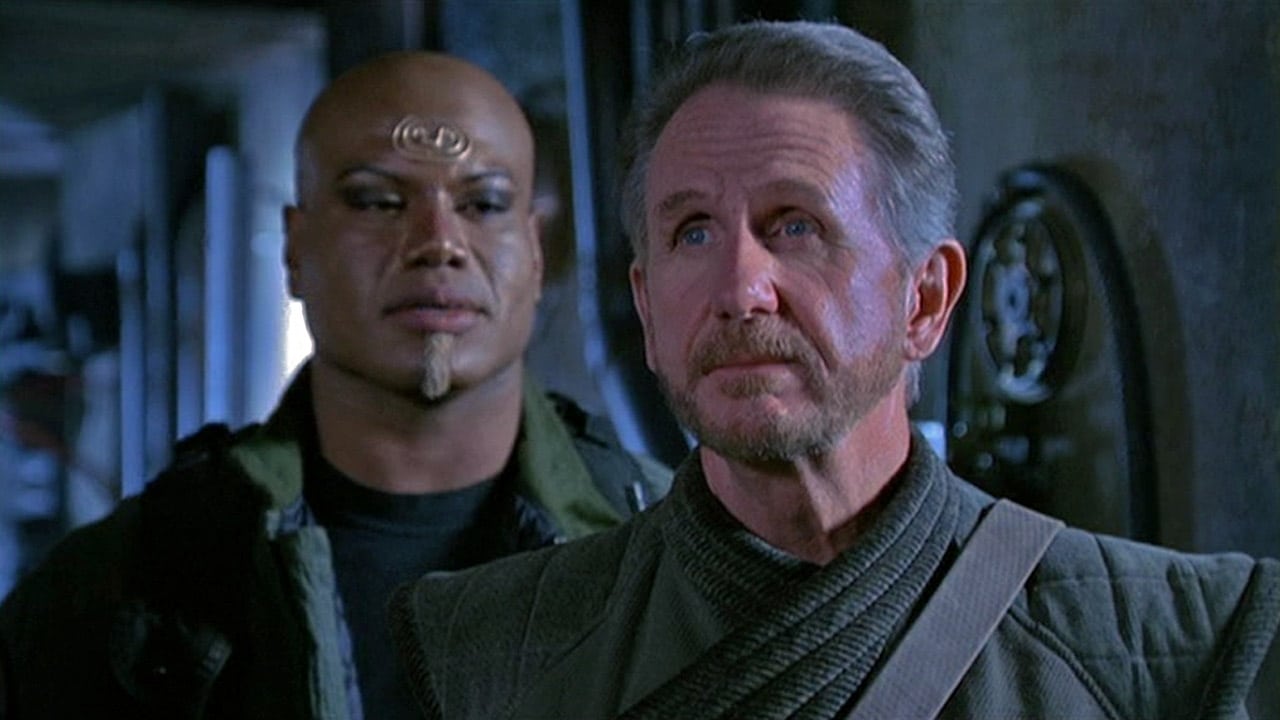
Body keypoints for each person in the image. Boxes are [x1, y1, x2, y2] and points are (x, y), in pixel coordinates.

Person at [389, 20, 1280, 720]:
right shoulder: (496, 653)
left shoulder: (1138, 653)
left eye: (795, 225)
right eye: (693, 232)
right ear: (648, 309)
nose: (740, 289)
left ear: (925, 299)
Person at [0, 51, 670, 719]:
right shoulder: (124, 590)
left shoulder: (673, 550)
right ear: (295, 248)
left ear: (534, 252)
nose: (439, 241)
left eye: (483, 204)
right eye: (378, 201)